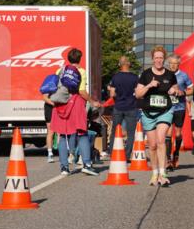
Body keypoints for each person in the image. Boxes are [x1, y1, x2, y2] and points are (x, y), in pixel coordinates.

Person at [135, 46, 183, 186]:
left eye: (161, 58)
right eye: (156, 58)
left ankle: (163, 173)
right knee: (153, 145)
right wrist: (149, 85)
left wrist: (174, 91)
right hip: (148, 112)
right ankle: (154, 173)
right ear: (152, 59)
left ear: (164, 59)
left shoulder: (169, 74)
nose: (158, 60)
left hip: (165, 111)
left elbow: (177, 90)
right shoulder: (145, 74)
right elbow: (138, 94)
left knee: (161, 140)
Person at [51, 48, 99, 176]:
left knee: (62, 135)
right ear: (80, 59)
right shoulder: (81, 71)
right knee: (81, 133)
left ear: (68, 58)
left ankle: (64, 168)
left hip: (61, 105)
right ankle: (87, 164)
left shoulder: (60, 70)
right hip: (76, 104)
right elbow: (82, 91)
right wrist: (92, 101)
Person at [108, 56, 140, 161]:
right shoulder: (135, 77)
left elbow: (112, 94)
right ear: (129, 64)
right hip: (131, 107)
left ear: (119, 65)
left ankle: (113, 154)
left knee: (115, 131)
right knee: (131, 133)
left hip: (118, 107)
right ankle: (126, 156)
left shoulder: (115, 77)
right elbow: (138, 93)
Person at [166, 54, 194, 170]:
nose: (172, 65)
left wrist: (183, 93)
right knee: (168, 133)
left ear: (179, 64)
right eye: (171, 63)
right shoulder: (165, 75)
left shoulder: (183, 76)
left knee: (177, 134)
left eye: (175, 63)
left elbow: (192, 89)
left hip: (180, 108)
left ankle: (176, 153)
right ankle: (167, 160)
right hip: (167, 108)